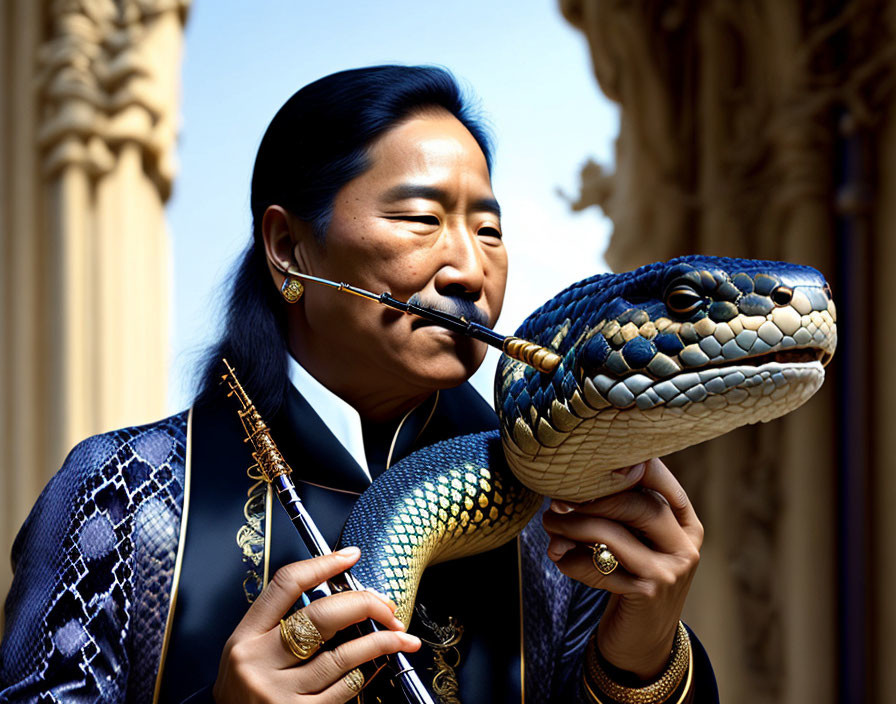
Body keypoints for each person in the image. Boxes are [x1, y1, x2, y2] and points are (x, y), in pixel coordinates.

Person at [0, 65, 718, 703]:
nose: (469, 270)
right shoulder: (123, 492)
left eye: (490, 230)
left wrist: (645, 655)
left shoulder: (556, 516)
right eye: (420, 219)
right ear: (288, 250)